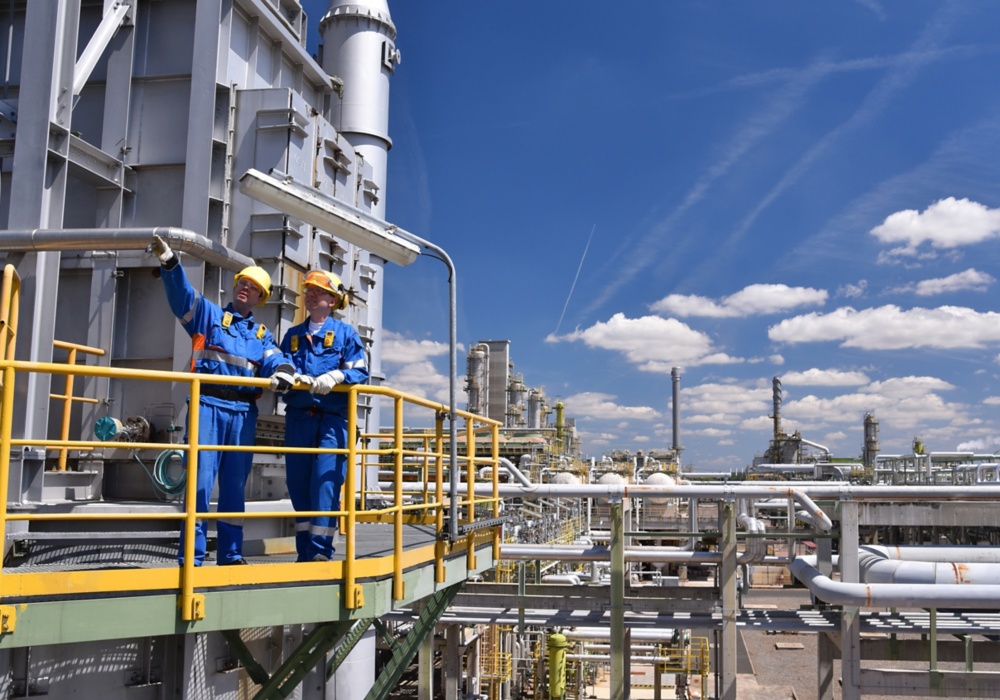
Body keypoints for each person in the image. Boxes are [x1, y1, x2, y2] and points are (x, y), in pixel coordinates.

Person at [148, 234, 295, 566]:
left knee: (233, 488)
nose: (245, 288)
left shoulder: (261, 336)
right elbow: (182, 297)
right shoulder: (209, 317)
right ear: (235, 287)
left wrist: (285, 371)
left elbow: (276, 358)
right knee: (199, 485)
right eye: (242, 282)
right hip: (208, 408)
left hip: (243, 414)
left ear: (260, 298)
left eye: (252, 287)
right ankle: (192, 557)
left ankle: (230, 554)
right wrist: (171, 262)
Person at [280, 270, 369, 562]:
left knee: (325, 484)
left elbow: (360, 371)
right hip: (298, 418)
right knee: (298, 483)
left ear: (332, 300)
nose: (311, 295)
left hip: (333, 421)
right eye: (308, 291)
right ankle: (304, 550)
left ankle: (320, 552)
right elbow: (283, 367)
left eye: (318, 291)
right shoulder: (293, 336)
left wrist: (337, 375)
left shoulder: (345, 334)